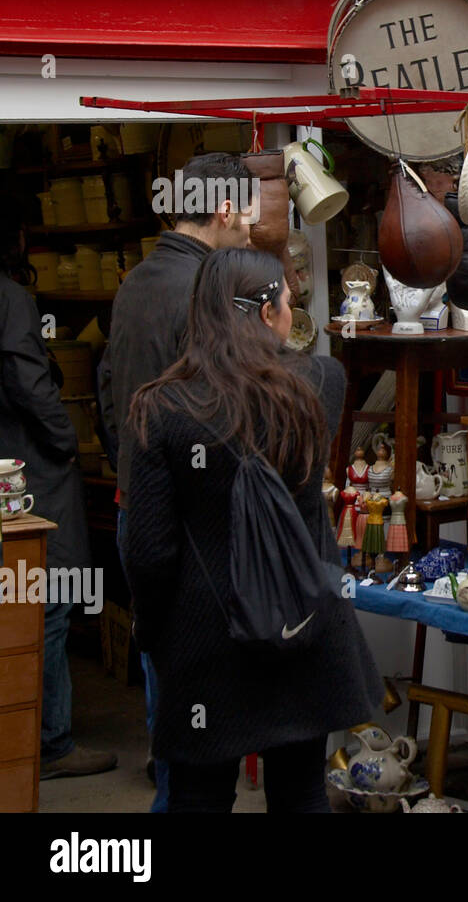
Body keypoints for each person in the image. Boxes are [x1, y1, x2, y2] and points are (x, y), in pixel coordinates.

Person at [122, 248, 382, 813]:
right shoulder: (320, 383)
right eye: (287, 302)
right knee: (302, 793)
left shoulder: (159, 409)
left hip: (205, 637)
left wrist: (152, 634)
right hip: (302, 623)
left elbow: (146, 550)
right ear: (267, 314)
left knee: (197, 795)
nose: (291, 314)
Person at [98, 151, 252, 811]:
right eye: (246, 213)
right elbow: (230, 418)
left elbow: (108, 390)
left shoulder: (135, 281)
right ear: (222, 209)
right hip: (193, 523)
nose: (250, 229)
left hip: (140, 508)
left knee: (168, 678)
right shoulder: (207, 292)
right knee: (203, 705)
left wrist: (132, 470)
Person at [0, 222, 117, 779]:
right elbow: (27, 379)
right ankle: (49, 741)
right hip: (28, 472)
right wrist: (66, 440)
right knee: (50, 597)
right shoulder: (11, 299)